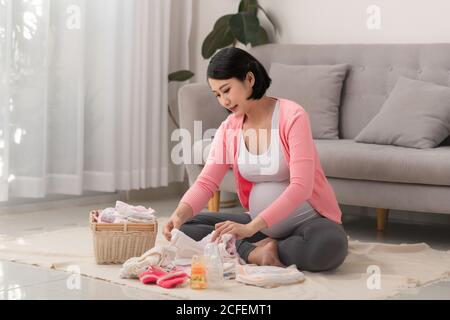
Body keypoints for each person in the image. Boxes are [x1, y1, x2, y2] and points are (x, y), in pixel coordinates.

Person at [164, 47, 348, 272]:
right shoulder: (229, 128)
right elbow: (206, 182)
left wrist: (251, 228)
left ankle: (253, 248)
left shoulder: (292, 115)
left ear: (249, 78)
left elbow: (302, 187)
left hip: (306, 224)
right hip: (256, 226)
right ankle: (254, 252)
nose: (224, 101)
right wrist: (179, 213)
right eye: (217, 95)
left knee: (329, 246)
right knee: (186, 226)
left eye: (227, 90)